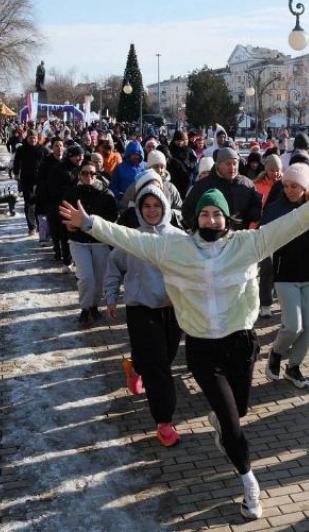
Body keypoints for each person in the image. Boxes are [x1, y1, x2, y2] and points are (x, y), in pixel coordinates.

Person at [59, 178, 309, 520]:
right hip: (202, 350)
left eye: (217, 214)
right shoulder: (173, 248)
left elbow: (286, 226)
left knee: (236, 412)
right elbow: (130, 238)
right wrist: (89, 223)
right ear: (195, 218)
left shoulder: (248, 244)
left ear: (227, 219)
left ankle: (223, 424)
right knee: (232, 426)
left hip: (240, 345)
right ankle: (249, 484)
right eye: (205, 214)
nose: (211, 220)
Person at [104, 185, 184, 447]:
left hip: (172, 310)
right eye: (146, 206)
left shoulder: (179, 238)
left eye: (156, 206)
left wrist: (183, 293)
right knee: (159, 367)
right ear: (139, 209)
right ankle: (164, 421)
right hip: (140, 309)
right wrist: (111, 296)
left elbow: (193, 272)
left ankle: (134, 366)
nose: (151, 211)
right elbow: (114, 265)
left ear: (165, 207)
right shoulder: (131, 238)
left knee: (166, 356)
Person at [261, 164, 309, 387]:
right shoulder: (276, 209)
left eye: (294, 186)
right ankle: (276, 353)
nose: (289, 190)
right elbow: (263, 234)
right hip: (285, 273)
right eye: (286, 185)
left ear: (305, 186)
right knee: (293, 326)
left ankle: (293, 367)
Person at [63, 161, 119, 327]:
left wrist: (100, 226)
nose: (89, 176)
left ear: (97, 175)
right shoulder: (72, 193)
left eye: (92, 173)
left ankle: (94, 306)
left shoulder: (106, 194)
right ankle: (85, 308)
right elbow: (64, 215)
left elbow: (113, 218)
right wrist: (69, 225)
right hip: (79, 241)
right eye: (85, 173)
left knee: (99, 278)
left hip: (99, 242)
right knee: (86, 277)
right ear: (79, 175)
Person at [182, 147, 262, 230]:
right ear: (218, 165)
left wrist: (251, 216)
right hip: (214, 237)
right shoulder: (204, 185)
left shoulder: (247, 184)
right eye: (228, 164)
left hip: (241, 236)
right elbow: (187, 209)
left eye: (235, 163)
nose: (232, 167)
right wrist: (200, 229)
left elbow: (256, 206)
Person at [253, 155, 283, 318]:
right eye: (272, 170)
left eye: (278, 170)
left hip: (281, 231)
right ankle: (265, 303)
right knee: (266, 268)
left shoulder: (286, 184)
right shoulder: (257, 186)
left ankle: (272, 298)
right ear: (266, 169)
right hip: (261, 231)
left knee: (277, 268)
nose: (276, 173)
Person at [48, 144, 84, 268]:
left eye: (81, 155)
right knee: (65, 234)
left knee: (79, 234)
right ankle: (66, 260)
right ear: (70, 156)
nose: (80, 158)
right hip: (64, 205)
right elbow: (53, 188)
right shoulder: (59, 169)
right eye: (77, 156)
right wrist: (73, 189)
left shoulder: (81, 169)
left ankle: (77, 261)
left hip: (80, 207)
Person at [13, 130, 46, 235]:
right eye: (31, 138)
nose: (33, 140)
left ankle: (40, 225)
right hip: (26, 179)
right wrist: (16, 173)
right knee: (30, 203)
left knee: (39, 203)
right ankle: (31, 226)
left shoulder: (42, 149)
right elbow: (16, 161)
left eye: (35, 138)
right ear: (27, 139)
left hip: (40, 179)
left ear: (38, 139)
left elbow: (49, 161)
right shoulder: (21, 149)